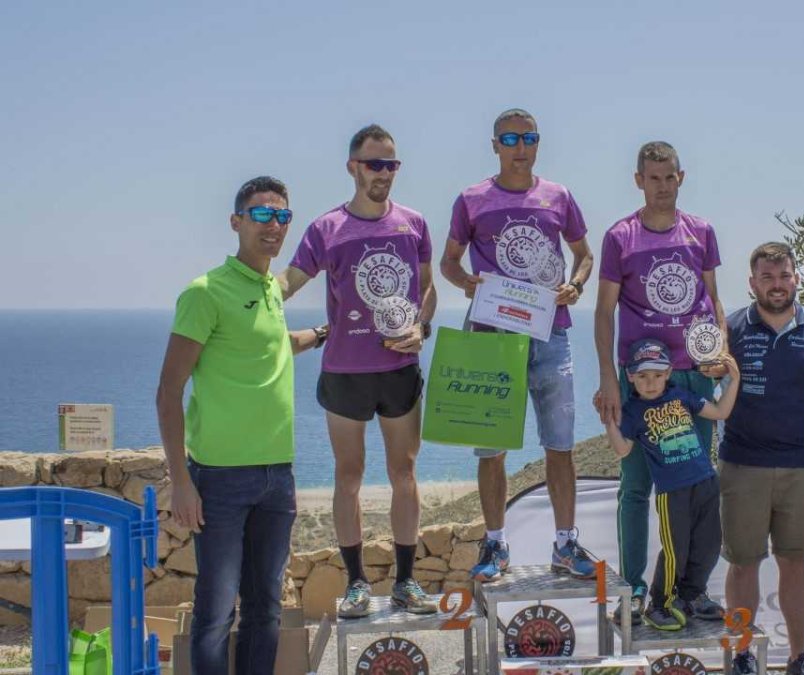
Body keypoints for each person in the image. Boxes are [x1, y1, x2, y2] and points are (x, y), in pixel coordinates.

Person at [157, 176, 324, 674]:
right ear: (236, 222)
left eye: (281, 217)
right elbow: (169, 389)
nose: (273, 226)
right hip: (220, 480)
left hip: (278, 475)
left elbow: (269, 346)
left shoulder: (271, 288)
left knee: (265, 609)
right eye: (260, 215)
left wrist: (320, 334)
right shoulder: (206, 292)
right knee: (214, 613)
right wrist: (181, 481)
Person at [278, 124, 438, 617]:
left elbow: (428, 290)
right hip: (345, 370)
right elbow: (286, 282)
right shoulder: (327, 229)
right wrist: (242, 301)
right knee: (348, 475)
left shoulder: (413, 224)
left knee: (403, 472)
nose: (383, 174)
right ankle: (355, 584)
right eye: (374, 164)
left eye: (391, 165)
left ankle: (407, 583)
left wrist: (422, 328)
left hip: (399, 368)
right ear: (353, 167)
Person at [440, 108, 596, 581]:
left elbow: (584, 254)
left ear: (538, 142)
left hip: (551, 332)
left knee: (561, 445)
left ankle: (566, 544)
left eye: (528, 137)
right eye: (510, 138)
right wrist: (468, 283)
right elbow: (448, 262)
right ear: (495, 145)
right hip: (491, 337)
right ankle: (495, 545)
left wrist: (576, 285)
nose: (520, 146)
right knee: (492, 450)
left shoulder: (558, 196)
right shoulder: (472, 199)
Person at [593, 140, 725, 624]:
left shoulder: (701, 232)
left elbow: (713, 299)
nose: (663, 186)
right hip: (641, 380)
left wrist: (720, 355)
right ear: (638, 180)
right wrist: (610, 376)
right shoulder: (619, 237)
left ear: (681, 177)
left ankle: (691, 591)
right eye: (654, 178)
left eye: (670, 177)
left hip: (692, 375)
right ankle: (631, 590)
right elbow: (604, 311)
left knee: (695, 485)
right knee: (636, 486)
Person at [720, 242, 804, 675]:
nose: (777, 285)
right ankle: (742, 654)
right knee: (742, 565)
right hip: (741, 464)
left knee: (796, 563)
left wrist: (798, 429)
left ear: (796, 278)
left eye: (784, 275)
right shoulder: (731, 329)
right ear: (752, 283)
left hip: (801, 468)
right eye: (767, 277)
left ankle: (799, 658)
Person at [602, 339, 739, 630]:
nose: (650, 383)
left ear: (668, 373)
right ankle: (659, 603)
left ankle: (691, 597)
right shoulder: (633, 411)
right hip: (672, 492)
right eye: (642, 376)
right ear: (630, 377)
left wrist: (734, 379)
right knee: (676, 549)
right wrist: (608, 421)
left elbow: (720, 413)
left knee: (709, 544)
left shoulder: (681, 396)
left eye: (656, 375)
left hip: (705, 482)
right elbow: (623, 450)